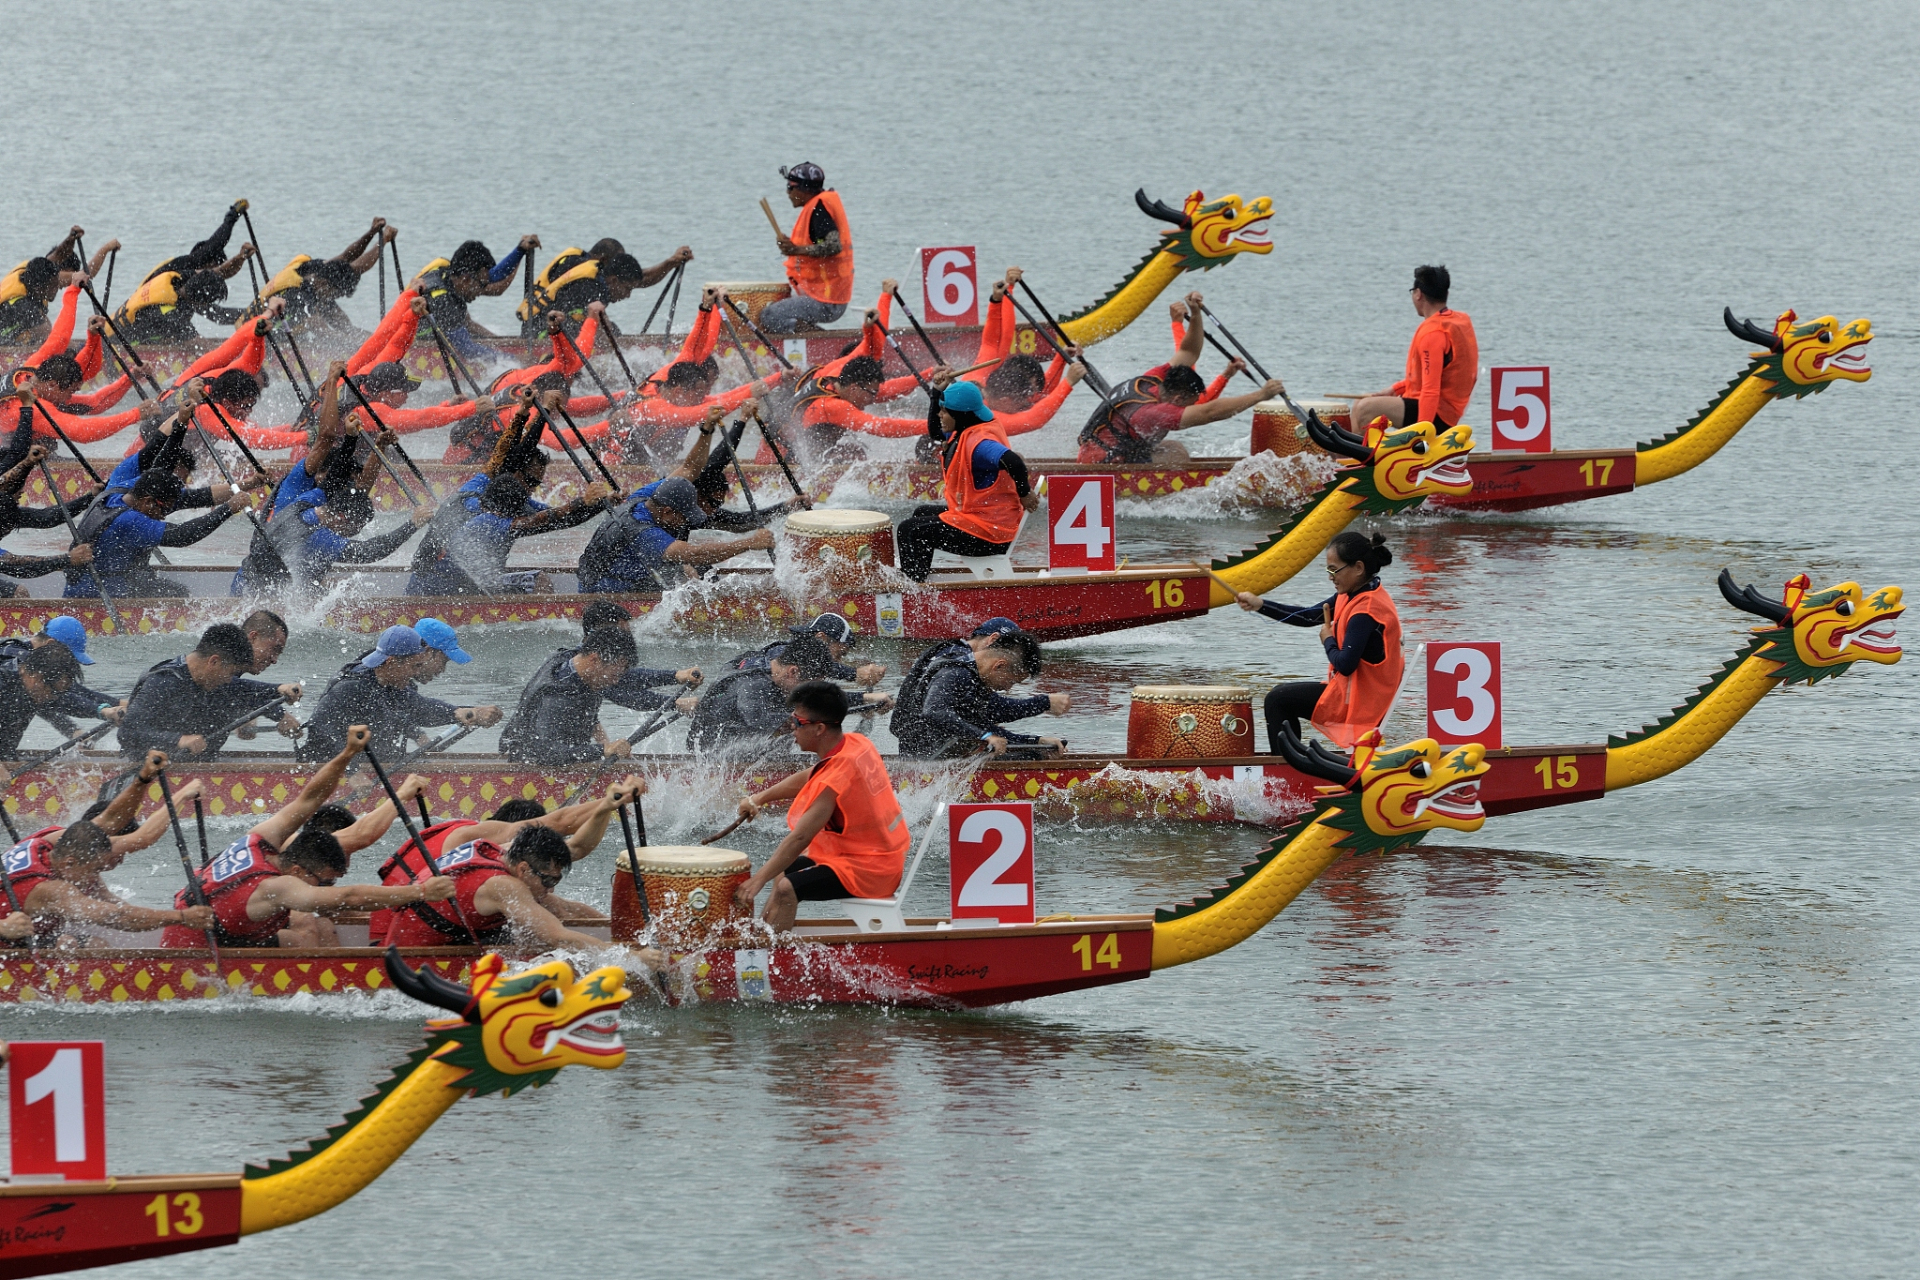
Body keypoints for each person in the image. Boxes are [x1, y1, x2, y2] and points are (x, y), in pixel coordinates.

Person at [159, 726, 457, 948]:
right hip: (196, 949)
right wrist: (420, 893)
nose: (326, 886)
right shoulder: (279, 885)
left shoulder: (258, 839)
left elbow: (309, 798)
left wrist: (347, 754)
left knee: (323, 926)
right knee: (303, 939)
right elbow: (347, 895)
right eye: (323, 880)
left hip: (207, 924)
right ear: (299, 870)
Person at [376, 781, 642, 949]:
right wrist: (630, 958)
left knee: (557, 906)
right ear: (524, 870)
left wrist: (607, 807)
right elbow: (557, 937)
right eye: (548, 880)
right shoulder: (503, 886)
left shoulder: (505, 852)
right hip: (412, 956)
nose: (550, 887)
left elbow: (576, 847)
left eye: (555, 881)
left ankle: (626, 934)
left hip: (456, 931)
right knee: (550, 938)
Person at [731, 681, 909, 929]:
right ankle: (764, 935)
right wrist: (758, 798)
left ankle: (774, 959)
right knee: (784, 870)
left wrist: (756, 881)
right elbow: (811, 774)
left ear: (819, 729)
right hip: (857, 855)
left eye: (797, 723)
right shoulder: (856, 743)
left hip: (873, 869)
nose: (792, 729)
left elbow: (800, 837)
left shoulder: (837, 775)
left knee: (786, 887)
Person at [3, 751, 218, 944]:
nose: (100, 873)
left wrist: (143, 778)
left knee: (95, 943)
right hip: (8, 936)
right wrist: (181, 918)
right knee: (67, 943)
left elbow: (110, 819)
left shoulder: (52, 841)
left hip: (28, 926)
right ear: (69, 863)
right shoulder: (51, 889)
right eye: (96, 869)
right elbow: (114, 916)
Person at [1237, 531, 1404, 751]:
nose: (1330, 577)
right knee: (1282, 698)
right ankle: (1291, 765)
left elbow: (1345, 665)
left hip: (1362, 703)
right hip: (1353, 693)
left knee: (1277, 700)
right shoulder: (1353, 593)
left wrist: (1328, 640)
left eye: (1334, 570)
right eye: (1328, 570)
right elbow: (1308, 616)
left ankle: (1286, 773)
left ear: (1359, 568)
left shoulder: (1366, 611)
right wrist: (1260, 604)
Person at [1078, 292, 1283, 463]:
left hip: (1100, 451)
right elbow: (1210, 412)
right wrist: (1260, 395)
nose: (1192, 407)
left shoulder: (1153, 379)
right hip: (1104, 464)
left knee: (1173, 447)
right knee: (1176, 454)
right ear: (1177, 400)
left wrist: (1195, 313)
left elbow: (1190, 352)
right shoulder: (1153, 413)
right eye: (1189, 404)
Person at [896, 379, 1036, 581]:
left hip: (990, 535)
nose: (939, 414)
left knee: (909, 530)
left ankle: (911, 589)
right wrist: (936, 392)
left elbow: (1013, 462)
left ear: (960, 414)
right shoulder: (964, 429)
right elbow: (935, 432)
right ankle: (918, 576)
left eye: (944, 411)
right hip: (980, 519)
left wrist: (1025, 494)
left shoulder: (979, 443)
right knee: (921, 514)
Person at [298, 624, 501, 762]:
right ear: (391, 662)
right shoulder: (352, 686)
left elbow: (414, 707)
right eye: (414, 666)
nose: (415, 672)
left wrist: (461, 713)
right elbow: (320, 727)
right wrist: (352, 772)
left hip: (371, 762)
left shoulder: (390, 682)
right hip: (329, 767)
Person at [499, 626, 701, 765]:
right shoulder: (558, 694)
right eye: (614, 675)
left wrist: (676, 676)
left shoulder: (575, 659)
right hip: (529, 767)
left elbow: (626, 681)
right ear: (595, 659)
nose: (616, 681)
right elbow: (544, 753)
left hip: (568, 756)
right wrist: (602, 750)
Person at [118, 623, 303, 760]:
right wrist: (179, 740)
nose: (229, 680)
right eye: (230, 673)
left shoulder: (207, 678)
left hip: (193, 765)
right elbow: (127, 733)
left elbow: (241, 689)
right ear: (213, 662)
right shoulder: (163, 682)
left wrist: (278, 690)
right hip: (147, 771)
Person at [578, 469, 773, 593]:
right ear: (668, 511)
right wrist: (750, 543)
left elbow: (690, 466)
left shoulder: (643, 497)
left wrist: (707, 429)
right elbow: (694, 553)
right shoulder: (644, 531)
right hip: (603, 592)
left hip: (623, 575)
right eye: (683, 517)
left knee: (700, 571)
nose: (685, 523)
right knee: (690, 577)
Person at [689, 634, 889, 753]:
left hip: (747, 746)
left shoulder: (781, 672)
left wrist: (866, 699)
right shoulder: (753, 683)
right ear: (793, 671)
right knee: (796, 729)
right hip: (712, 754)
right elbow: (758, 719)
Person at [232, 482, 431, 599]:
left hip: (246, 579)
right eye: (357, 527)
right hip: (253, 595)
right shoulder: (317, 537)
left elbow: (337, 477)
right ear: (342, 518)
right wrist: (412, 525)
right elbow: (368, 552)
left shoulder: (306, 501)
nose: (355, 533)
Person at [1346, 265, 1480, 435]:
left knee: (1365, 409)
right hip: (1439, 406)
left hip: (1438, 415)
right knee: (1361, 402)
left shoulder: (1434, 333)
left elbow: (1431, 391)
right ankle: (1351, 458)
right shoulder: (1460, 320)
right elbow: (1433, 376)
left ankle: (1363, 459)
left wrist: (1422, 434)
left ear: (1418, 294)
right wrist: (1394, 390)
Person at [894, 629, 1068, 758]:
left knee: (1033, 754)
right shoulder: (954, 673)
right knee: (1029, 757)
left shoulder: (972, 677)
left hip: (946, 755)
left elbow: (988, 722)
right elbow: (935, 712)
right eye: (1011, 681)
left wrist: (1036, 742)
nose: (1007, 689)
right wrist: (984, 736)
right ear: (999, 665)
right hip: (922, 762)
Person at [411, 236, 537, 366]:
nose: (484, 289)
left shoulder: (448, 273)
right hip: (417, 350)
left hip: (443, 332)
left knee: (466, 326)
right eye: (482, 285)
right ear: (466, 280)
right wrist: (514, 359)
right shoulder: (443, 302)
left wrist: (520, 250)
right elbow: (468, 350)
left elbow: (495, 276)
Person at [761, 162, 853, 333]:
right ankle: (821, 341)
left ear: (804, 189)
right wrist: (795, 247)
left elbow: (833, 246)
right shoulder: (819, 207)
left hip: (826, 300)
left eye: (790, 187)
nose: (788, 193)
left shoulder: (819, 209)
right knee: (779, 309)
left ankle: (822, 343)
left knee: (770, 316)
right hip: (828, 296)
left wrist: (796, 250)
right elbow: (820, 243)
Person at [0, 616, 124, 740]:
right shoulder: (11, 666)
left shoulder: (33, 682)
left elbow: (50, 700)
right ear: (51, 646)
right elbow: (62, 695)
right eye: (68, 658)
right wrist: (105, 709)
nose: (69, 665)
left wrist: (72, 730)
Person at [727, 613, 885, 688]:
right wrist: (855, 674)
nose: (837, 661)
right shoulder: (783, 653)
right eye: (839, 653)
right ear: (821, 638)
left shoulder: (794, 658)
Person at [0, 642, 86, 759]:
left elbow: (71, 703)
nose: (54, 698)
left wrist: (103, 711)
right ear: (36, 677)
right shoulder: (4, 682)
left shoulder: (32, 690)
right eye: (54, 692)